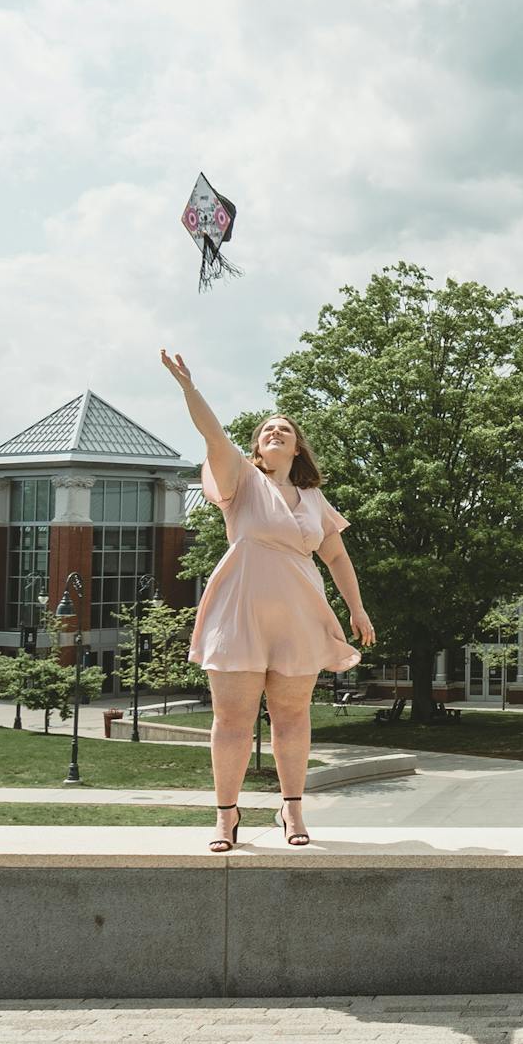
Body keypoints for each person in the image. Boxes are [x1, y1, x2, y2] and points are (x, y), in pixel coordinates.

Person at [161, 350, 374, 851]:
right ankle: (225, 817)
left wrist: (357, 608)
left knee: (293, 716)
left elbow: (337, 558)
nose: (273, 434)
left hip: (299, 615)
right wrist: (190, 389)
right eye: (266, 431)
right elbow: (213, 435)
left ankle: (292, 810)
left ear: (298, 448)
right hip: (240, 611)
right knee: (232, 719)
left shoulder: (316, 501)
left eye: (284, 430)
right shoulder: (241, 480)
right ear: (257, 446)